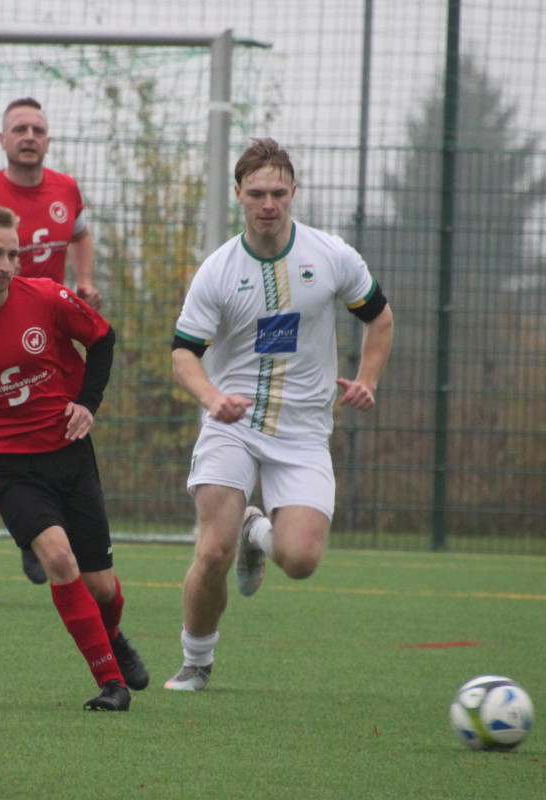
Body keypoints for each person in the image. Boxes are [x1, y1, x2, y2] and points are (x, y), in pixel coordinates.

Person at [164, 138, 395, 691]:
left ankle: (256, 533)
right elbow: (182, 353)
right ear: (238, 195)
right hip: (233, 426)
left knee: (300, 559)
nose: (268, 204)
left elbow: (380, 319)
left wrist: (367, 381)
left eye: (278, 193)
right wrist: (211, 398)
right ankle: (197, 661)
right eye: (257, 193)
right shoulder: (218, 271)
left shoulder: (331, 255)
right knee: (212, 549)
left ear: (293, 192)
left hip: (303, 432)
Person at [0, 204, 147, 711]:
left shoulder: (47, 297)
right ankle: (112, 683)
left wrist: (86, 405)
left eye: (14, 254)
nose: (6, 265)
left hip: (69, 454)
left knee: (102, 588)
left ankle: (111, 638)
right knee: (58, 559)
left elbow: (104, 339)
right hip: (8, 466)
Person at [0, 96, 102, 602]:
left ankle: (38, 529)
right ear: (3, 141)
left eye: (38, 129)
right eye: (19, 129)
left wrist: (85, 280)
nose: (29, 136)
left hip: (51, 343)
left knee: (61, 439)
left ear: (48, 140)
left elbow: (81, 232)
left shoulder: (66, 190)